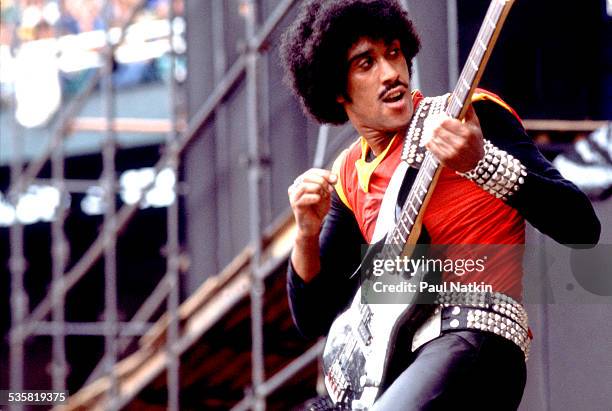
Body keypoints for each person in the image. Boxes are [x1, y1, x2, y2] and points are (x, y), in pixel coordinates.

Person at [279, 0, 601, 410]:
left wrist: (480, 163)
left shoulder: (470, 114)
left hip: (477, 340)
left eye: (394, 52)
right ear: (337, 90)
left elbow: (581, 226)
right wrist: (306, 232)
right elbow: (312, 317)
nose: (390, 73)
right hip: (396, 367)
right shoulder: (347, 176)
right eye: (366, 63)